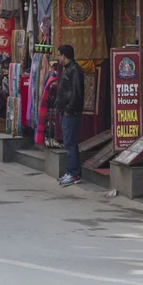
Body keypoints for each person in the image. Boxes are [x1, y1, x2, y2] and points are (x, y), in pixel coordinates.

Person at [55, 44, 85, 186]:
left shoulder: (74, 70)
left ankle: (73, 174)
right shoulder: (68, 69)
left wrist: (69, 109)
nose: (58, 58)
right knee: (68, 143)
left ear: (64, 56)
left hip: (71, 112)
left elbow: (76, 92)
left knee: (70, 143)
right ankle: (71, 172)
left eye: (59, 55)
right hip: (66, 111)